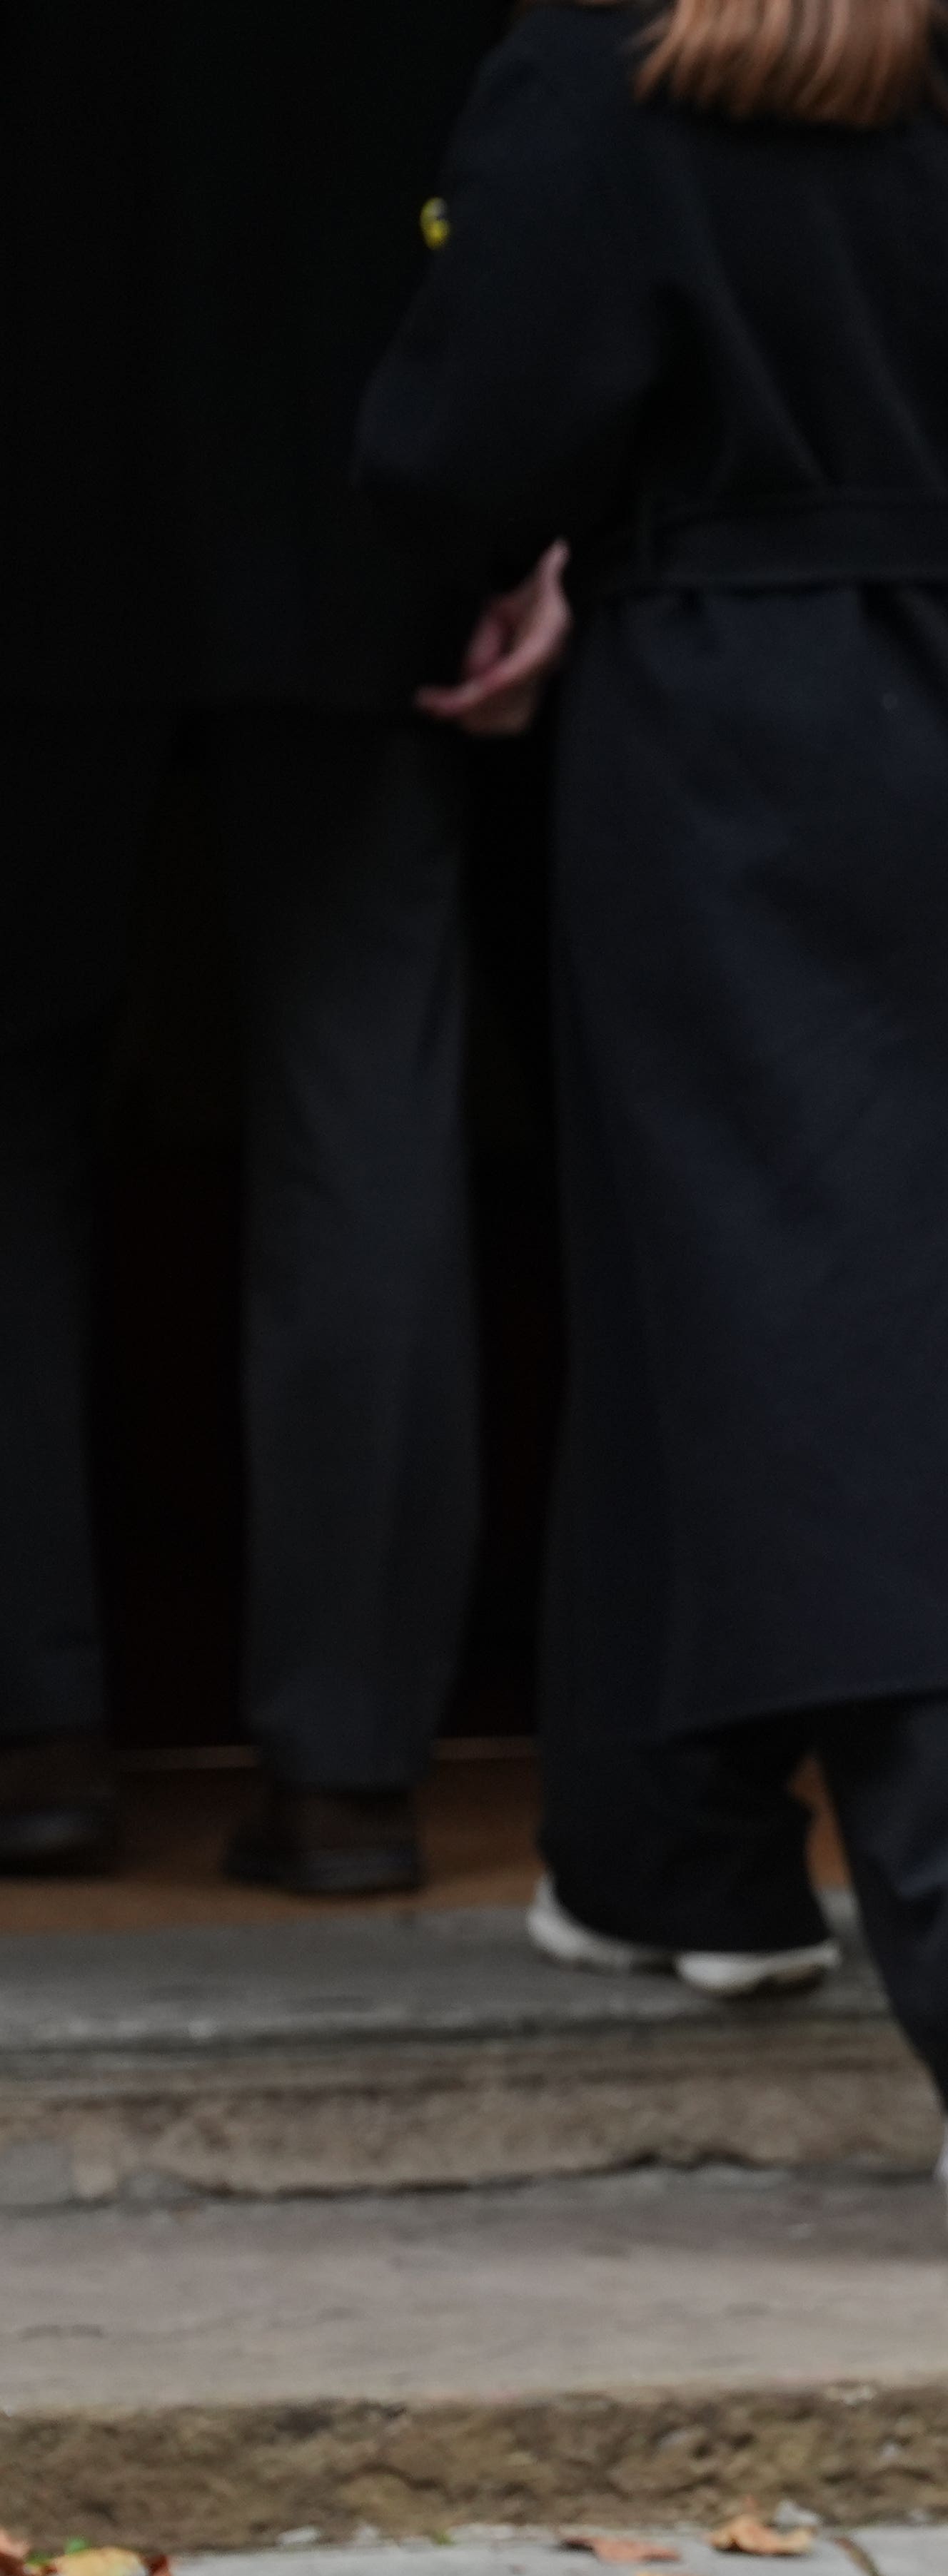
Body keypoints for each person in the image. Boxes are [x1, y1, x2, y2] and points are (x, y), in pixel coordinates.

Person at [355, 0, 948, 2250]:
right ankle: (671, 1853)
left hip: (721, 712)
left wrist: (571, 550)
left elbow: (462, 436)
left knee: (823, 1314)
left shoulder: (598, 75)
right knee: (759, 1276)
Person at [0, 0, 532, 1894]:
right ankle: (351, 1766)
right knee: (363, 1107)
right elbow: (514, 127)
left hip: (37, 472)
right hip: (360, 486)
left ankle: (32, 1739)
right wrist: (533, 508)